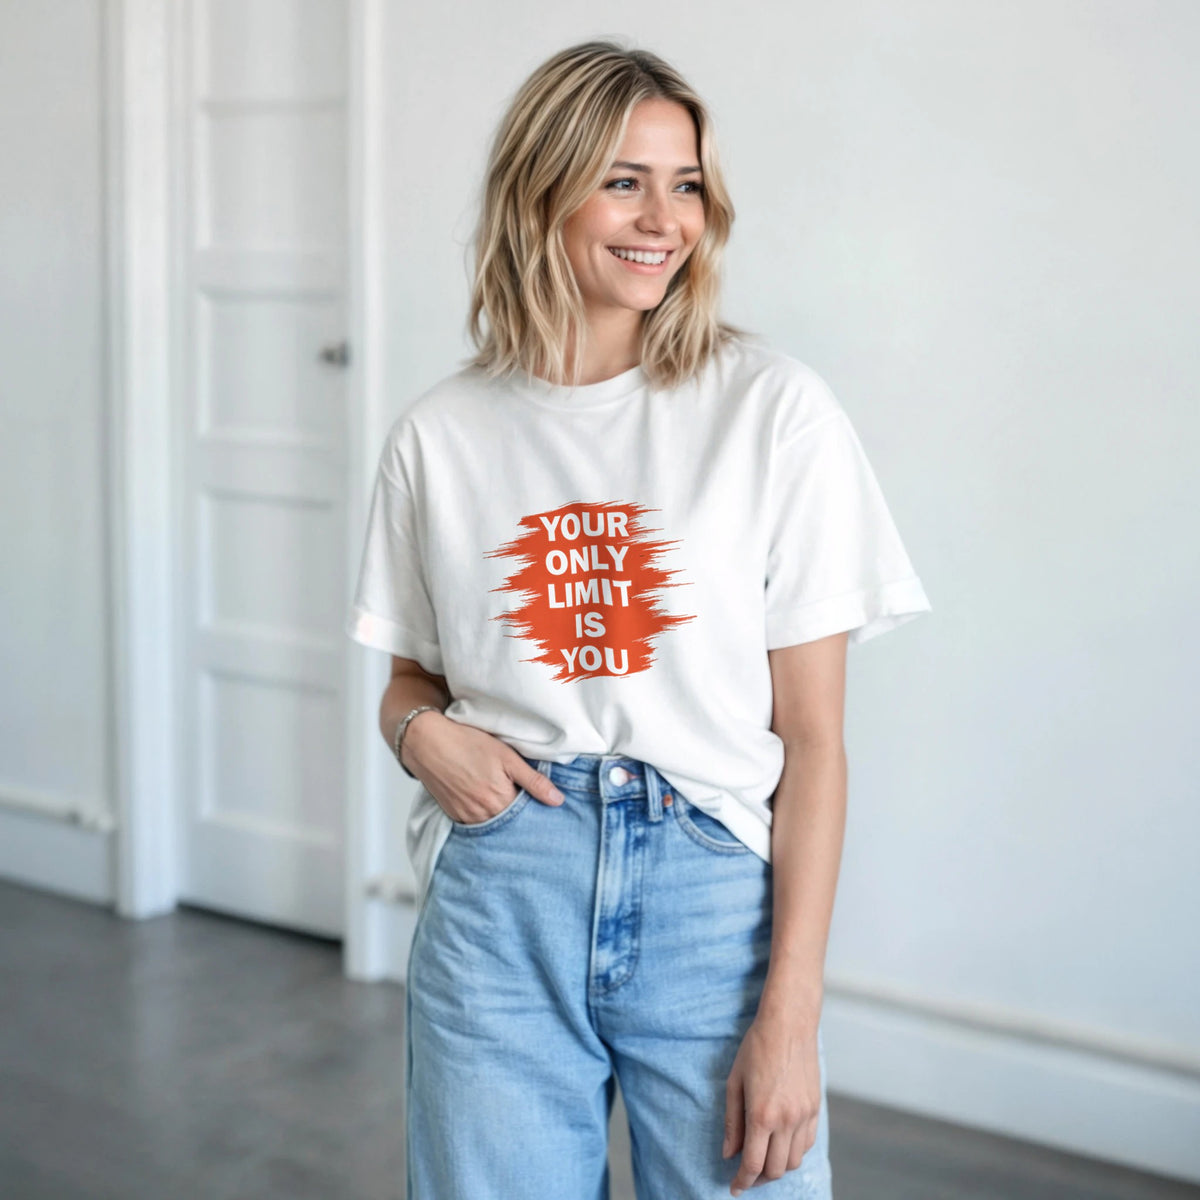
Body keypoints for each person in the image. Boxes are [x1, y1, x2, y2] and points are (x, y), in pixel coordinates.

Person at [345, 39, 931, 1200]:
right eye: (624, 179)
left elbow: (813, 742)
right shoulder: (439, 435)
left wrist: (792, 1015)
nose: (664, 217)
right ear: (540, 188)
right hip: (505, 889)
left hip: (712, 896)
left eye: (688, 184)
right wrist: (418, 735)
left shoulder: (773, 413)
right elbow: (412, 681)